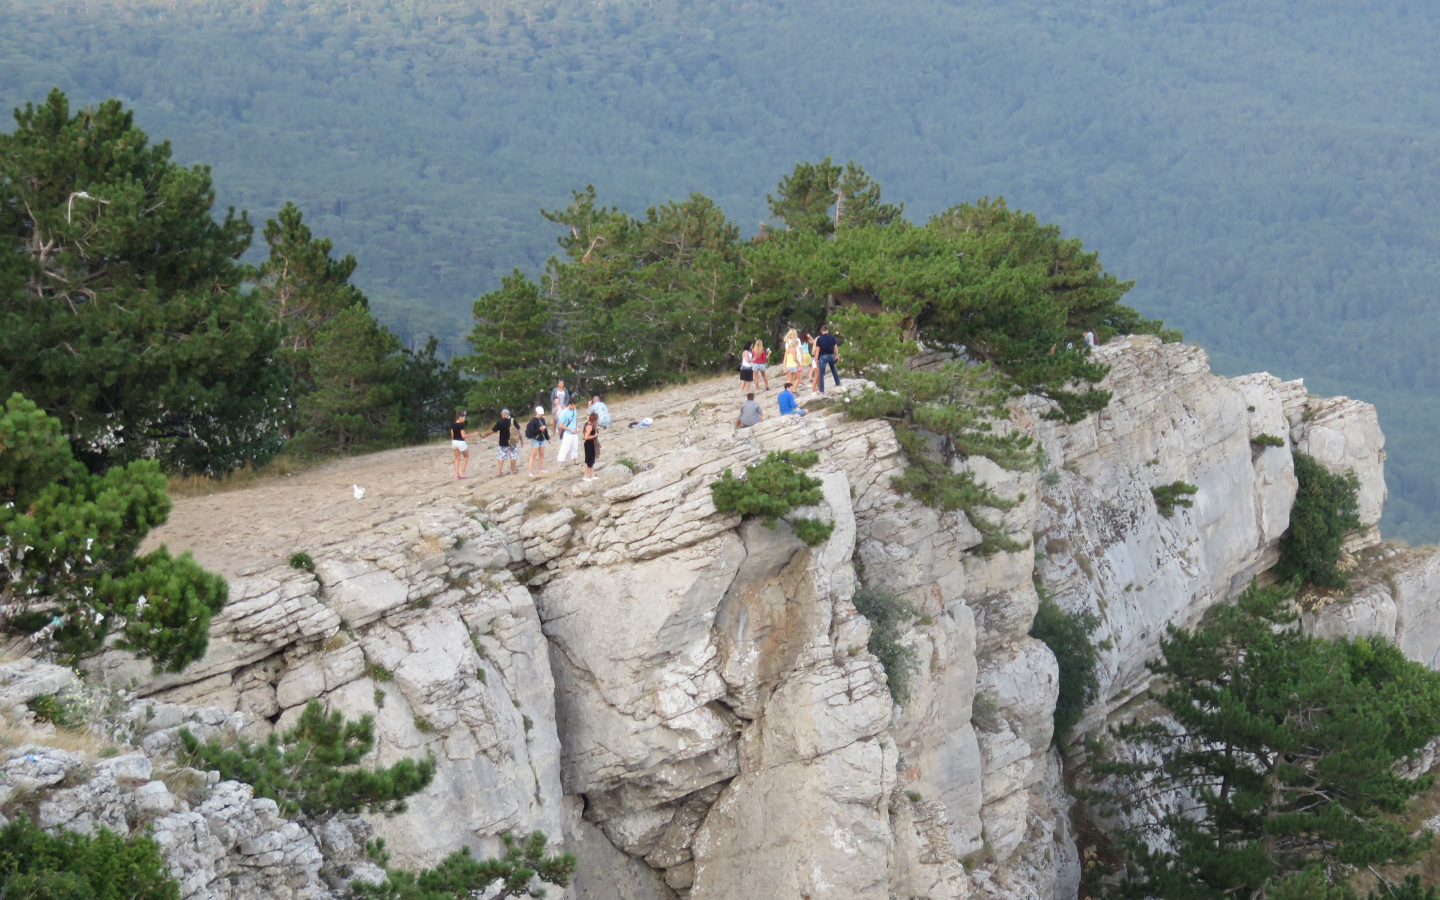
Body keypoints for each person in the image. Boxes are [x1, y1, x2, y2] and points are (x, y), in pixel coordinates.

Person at [478, 409, 519, 477]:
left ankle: (499, 471)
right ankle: (512, 471)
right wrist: (520, 439)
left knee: (501, 457)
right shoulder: (513, 420)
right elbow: (518, 430)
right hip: (512, 442)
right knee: (513, 456)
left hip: (503, 442)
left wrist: (485, 435)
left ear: (503, 414)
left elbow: (493, 430)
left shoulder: (500, 422)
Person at [814, 325, 840, 393]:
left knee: (821, 373)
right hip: (831, 355)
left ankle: (821, 390)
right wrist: (837, 355)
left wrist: (816, 359)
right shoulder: (832, 337)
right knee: (833, 369)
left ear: (822, 331)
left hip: (823, 356)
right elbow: (835, 347)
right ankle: (838, 383)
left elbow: (817, 350)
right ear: (827, 330)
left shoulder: (819, 339)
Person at [525, 406, 550, 476]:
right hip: (535, 440)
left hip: (542, 439)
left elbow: (546, 430)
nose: (541, 415)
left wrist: (548, 438)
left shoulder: (542, 419)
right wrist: (540, 429)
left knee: (541, 455)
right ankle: (530, 471)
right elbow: (532, 431)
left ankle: (540, 469)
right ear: (536, 413)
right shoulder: (533, 421)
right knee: (533, 456)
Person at [556, 399, 581, 467]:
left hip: (574, 432)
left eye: (575, 406)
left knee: (575, 446)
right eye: (573, 406)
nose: (574, 408)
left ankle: (576, 460)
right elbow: (561, 425)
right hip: (567, 432)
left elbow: (575, 419)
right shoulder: (564, 412)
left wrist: (577, 427)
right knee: (565, 447)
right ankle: (560, 462)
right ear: (569, 405)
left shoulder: (574, 410)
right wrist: (570, 429)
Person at [450, 410, 470, 479]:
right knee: (466, 456)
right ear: (460, 417)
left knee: (457, 458)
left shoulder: (453, 425)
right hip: (461, 442)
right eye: (464, 417)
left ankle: (456, 474)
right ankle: (462, 472)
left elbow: (452, 435)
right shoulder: (461, 425)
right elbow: (463, 436)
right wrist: (473, 434)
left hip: (454, 442)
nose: (464, 419)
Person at [582, 412, 601, 481]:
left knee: (592, 460)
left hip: (591, 443)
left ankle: (592, 475)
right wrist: (595, 436)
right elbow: (586, 437)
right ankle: (586, 476)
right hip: (589, 444)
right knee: (588, 460)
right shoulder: (589, 426)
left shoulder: (589, 424)